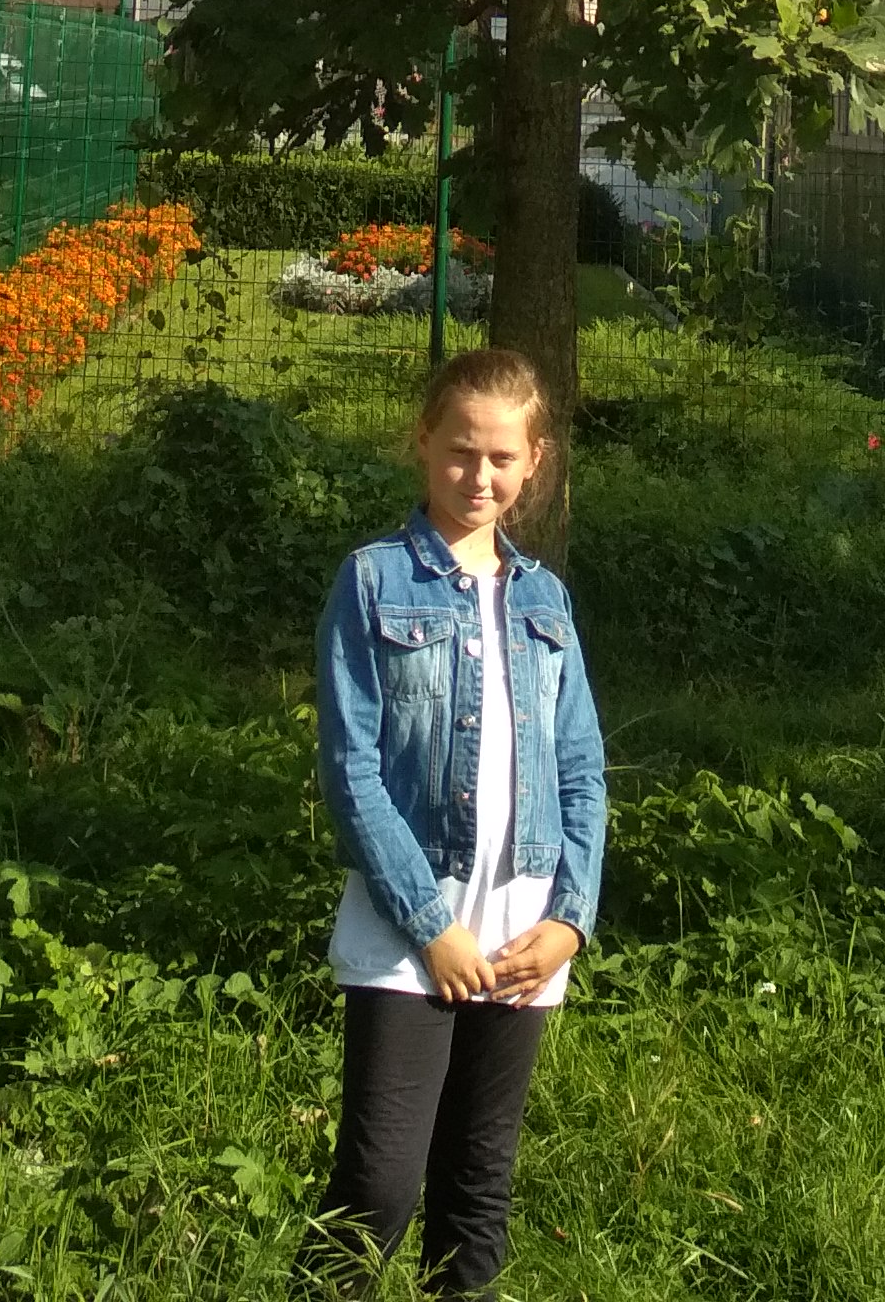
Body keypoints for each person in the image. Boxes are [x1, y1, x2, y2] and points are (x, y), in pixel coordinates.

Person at [309, 348, 607, 1292]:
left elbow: (581, 769)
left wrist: (569, 921)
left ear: (534, 461)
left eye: (502, 458)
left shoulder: (546, 598)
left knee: (478, 1188)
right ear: (423, 443)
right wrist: (431, 926)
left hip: (524, 936)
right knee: (379, 1187)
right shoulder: (372, 583)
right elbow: (352, 770)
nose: (480, 476)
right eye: (460, 452)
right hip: (412, 933)